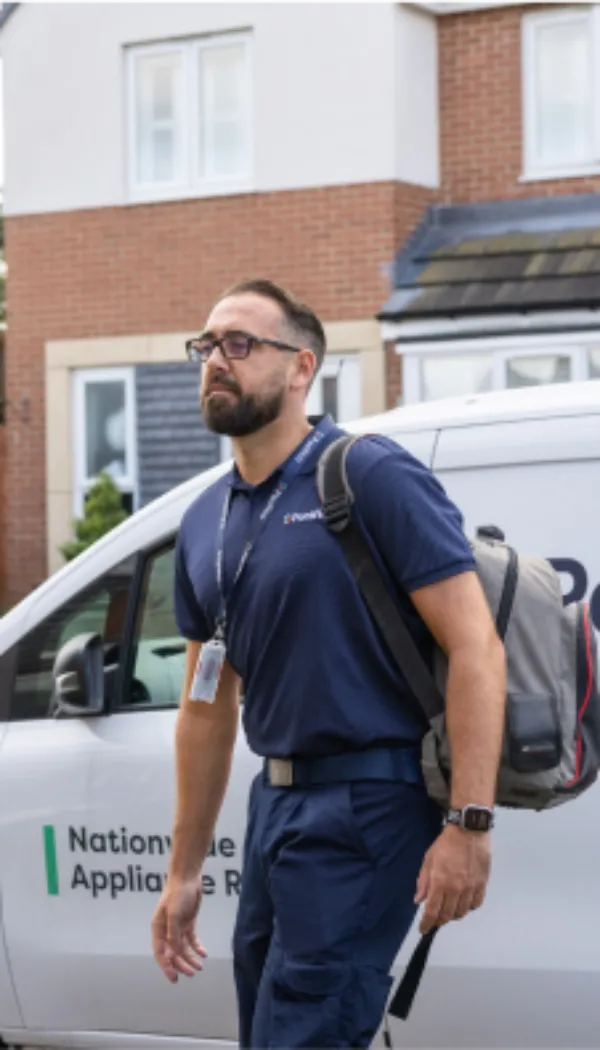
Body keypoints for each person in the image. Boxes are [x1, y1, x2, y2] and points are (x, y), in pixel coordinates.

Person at [151, 278, 506, 1049]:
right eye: (207, 345)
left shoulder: (368, 473)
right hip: (274, 803)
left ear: (301, 367)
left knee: (303, 1031)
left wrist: (469, 824)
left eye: (240, 343)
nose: (217, 359)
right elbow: (207, 708)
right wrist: (184, 873)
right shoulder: (205, 517)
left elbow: (476, 644)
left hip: (371, 802)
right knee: (270, 1027)